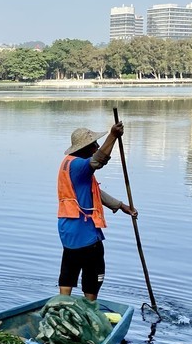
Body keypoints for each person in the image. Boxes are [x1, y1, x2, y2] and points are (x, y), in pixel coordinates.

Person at [57, 122, 138, 301]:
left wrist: (120, 205)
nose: (97, 146)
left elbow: (94, 191)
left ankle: (62, 306)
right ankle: (90, 308)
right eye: (94, 144)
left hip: (68, 230)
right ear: (85, 147)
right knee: (93, 274)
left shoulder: (68, 164)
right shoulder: (80, 166)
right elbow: (99, 160)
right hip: (84, 231)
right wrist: (113, 136)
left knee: (69, 270)